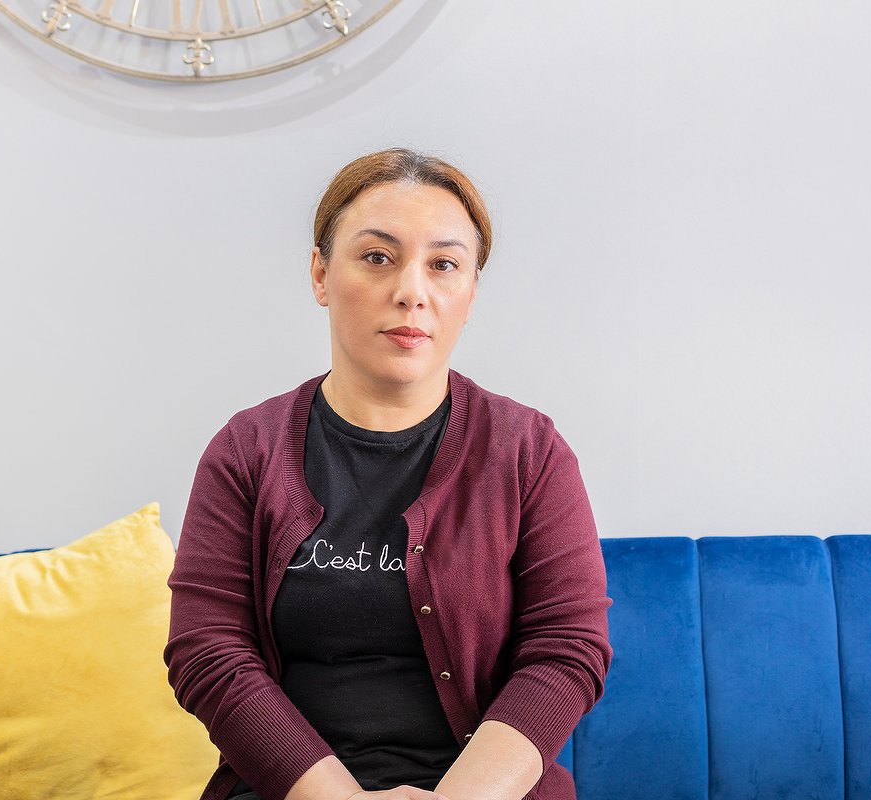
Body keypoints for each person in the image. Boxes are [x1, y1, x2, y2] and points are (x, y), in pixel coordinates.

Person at [165, 148, 612, 800]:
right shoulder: (245, 451)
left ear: (470, 293)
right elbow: (208, 651)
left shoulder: (529, 450)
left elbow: (567, 648)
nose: (411, 292)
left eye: (444, 265)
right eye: (377, 257)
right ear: (321, 274)